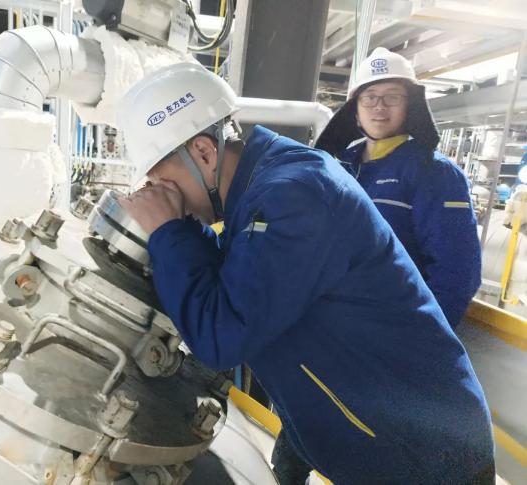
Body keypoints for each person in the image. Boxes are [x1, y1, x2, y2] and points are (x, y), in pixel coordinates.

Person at [117, 63, 494, 484]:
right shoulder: (262, 189)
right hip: (380, 433)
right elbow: (236, 283)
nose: (165, 194)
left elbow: (222, 337)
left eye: (163, 181)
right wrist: (178, 229)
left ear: (204, 151)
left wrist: (169, 231)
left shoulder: (293, 195)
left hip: (423, 457)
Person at [316, 47, 481, 330]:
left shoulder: (434, 174)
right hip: (336, 324)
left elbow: (457, 273)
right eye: (369, 97)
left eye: (392, 97)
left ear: (411, 105)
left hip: (391, 328)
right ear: (355, 107)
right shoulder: (338, 166)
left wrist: (421, 337)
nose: (379, 107)